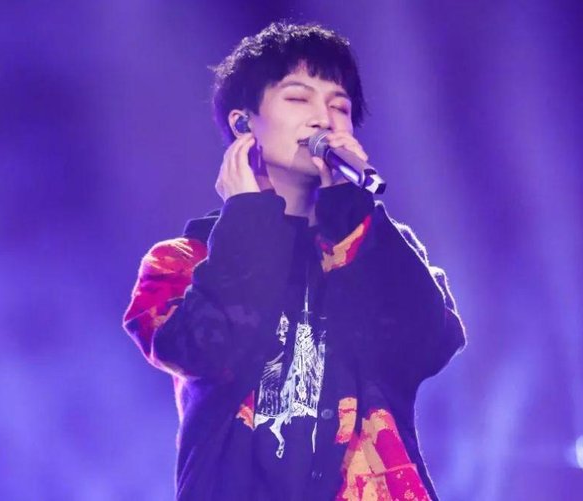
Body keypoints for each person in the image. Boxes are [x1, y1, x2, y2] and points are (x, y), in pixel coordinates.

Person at [122, 21, 466, 501]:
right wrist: (248, 218)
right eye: (298, 98)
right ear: (244, 124)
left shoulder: (376, 245)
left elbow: (428, 344)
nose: (323, 118)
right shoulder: (183, 260)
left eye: (340, 107)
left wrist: (352, 213)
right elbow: (204, 350)